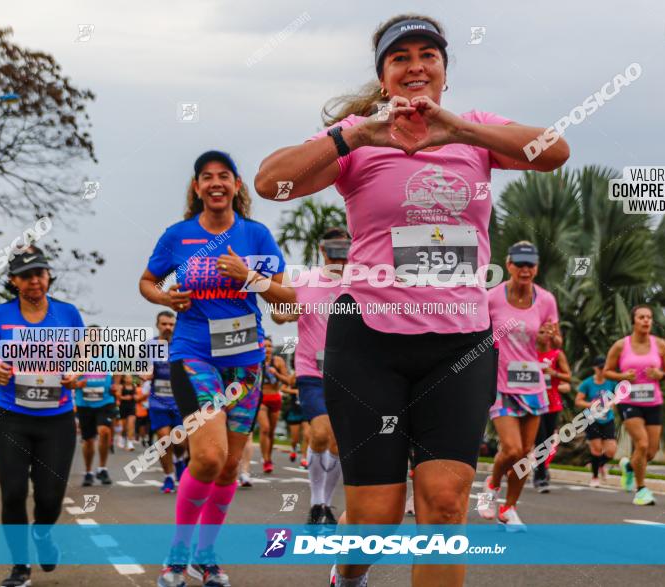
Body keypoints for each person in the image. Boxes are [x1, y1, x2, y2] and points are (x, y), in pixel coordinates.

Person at [256, 14, 568, 585]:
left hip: (460, 345)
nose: (416, 65)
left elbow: (553, 150)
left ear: (445, 71)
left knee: (445, 507)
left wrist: (462, 132)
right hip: (369, 344)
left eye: (429, 54)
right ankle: (349, 575)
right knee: (373, 518)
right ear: (384, 77)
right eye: (400, 57)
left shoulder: (473, 130)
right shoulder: (360, 135)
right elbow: (271, 181)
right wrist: (355, 134)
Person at [139, 149, 294, 587]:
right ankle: (176, 555)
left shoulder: (256, 236)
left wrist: (249, 276)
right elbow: (148, 281)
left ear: (237, 185)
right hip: (194, 354)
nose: (215, 183)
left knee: (228, 468)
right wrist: (165, 297)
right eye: (206, 177)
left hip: (245, 361)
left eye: (223, 176)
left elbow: (287, 301)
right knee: (209, 456)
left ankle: (205, 556)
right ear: (196, 188)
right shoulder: (179, 236)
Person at [0, 247, 84, 587]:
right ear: (13, 281)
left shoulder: (68, 314)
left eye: (40, 273)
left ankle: (43, 536)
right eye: (27, 275)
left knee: (49, 497)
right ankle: (20, 567)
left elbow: (84, 360)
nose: (35, 280)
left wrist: (77, 374)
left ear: (48, 277)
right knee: (13, 493)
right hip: (9, 417)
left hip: (57, 418)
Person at [272, 227, 350, 526]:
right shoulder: (305, 279)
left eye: (344, 246)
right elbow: (279, 310)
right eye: (334, 247)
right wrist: (285, 313)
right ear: (323, 249)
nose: (339, 252)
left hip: (349, 373)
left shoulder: (361, 281)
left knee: (339, 443)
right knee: (319, 434)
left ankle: (324, 506)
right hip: (310, 371)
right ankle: (316, 500)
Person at [479, 242, 561, 528]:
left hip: (533, 383)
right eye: (520, 264)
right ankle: (492, 484)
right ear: (509, 265)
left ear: (536, 268)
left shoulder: (547, 300)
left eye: (531, 265)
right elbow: (477, 334)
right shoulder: (492, 298)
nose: (525, 270)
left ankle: (509, 508)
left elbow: (555, 341)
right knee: (512, 449)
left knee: (528, 453)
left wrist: (549, 338)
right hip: (501, 383)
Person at [603, 305, 665, 506]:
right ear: (634, 320)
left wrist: (660, 375)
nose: (646, 321)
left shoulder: (660, 345)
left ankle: (628, 468)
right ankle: (641, 490)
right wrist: (622, 376)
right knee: (641, 444)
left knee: (650, 452)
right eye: (641, 317)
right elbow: (607, 371)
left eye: (649, 317)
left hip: (653, 402)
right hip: (629, 401)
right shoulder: (620, 345)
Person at [144, 311, 187, 493]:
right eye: (164, 324)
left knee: (179, 442)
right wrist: (144, 374)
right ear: (157, 324)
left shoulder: (181, 345)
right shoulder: (151, 345)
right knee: (163, 439)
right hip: (158, 402)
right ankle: (168, 476)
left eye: (171, 324)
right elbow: (142, 369)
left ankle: (179, 460)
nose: (168, 327)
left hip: (180, 402)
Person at [532, 325, 570, 493]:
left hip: (553, 403)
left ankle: (541, 469)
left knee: (547, 440)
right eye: (541, 332)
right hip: (533, 402)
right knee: (539, 439)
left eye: (548, 333)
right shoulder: (529, 354)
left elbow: (568, 376)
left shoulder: (557, 354)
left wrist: (553, 373)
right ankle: (540, 476)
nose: (545, 336)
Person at [74, 350, 118, 487]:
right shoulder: (77, 358)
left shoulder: (110, 356)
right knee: (88, 440)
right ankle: (88, 472)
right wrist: (76, 384)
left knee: (105, 431)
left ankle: (102, 469)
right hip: (84, 403)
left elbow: (117, 372)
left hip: (105, 401)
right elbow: (69, 378)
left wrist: (115, 384)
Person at [576, 356, 617, 488]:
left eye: (604, 368)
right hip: (591, 418)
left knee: (611, 451)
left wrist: (612, 403)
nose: (602, 370)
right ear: (594, 368)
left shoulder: (611, 383)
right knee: (597, 449)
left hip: (607, 419)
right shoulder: (587, 383)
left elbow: (617, 398)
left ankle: (599, 464)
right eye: (600, 368)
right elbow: (578, 401)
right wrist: (590, 404)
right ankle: (594, 477)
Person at [258, 337, 289, 474]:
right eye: (265, 346)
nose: (268, 349)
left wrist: (276, 373)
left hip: (275, 397)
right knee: (265, 428)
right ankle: (265, 460)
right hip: (261, 398)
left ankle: (269, 458)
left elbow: (287, 380)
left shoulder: (278, 361)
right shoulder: (256, 360)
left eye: (270, 346)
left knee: (271, 432)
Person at [117, 374, 139, 451]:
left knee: (131, 424)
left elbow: (136, 396)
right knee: (124, 427)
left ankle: (130, 443)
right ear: (124, 379)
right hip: (123, 407)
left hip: (132, 407)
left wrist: (136, 397)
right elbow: (118, 395)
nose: (129, 379)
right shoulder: (121, 386)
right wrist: (124, 397)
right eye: (128, 378)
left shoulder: (134, 387)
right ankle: (123, 438)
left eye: (130, 377)